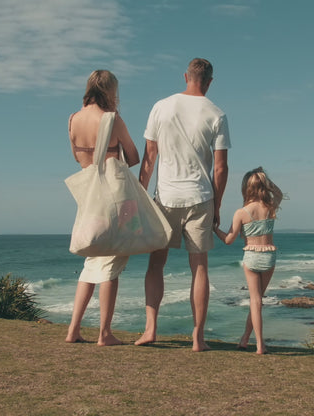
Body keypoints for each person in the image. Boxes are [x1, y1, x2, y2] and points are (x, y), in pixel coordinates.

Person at [135, 58, 231, 352]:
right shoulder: (217, 113)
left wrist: (141, 195)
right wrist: (217, 205)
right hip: (201, 197)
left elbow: (149, 156)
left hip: (165, 197)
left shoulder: (161, 106)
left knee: (156, 264)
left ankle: (151, 329)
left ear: (185, 76)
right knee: (199, 267)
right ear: (210, 82)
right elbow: (220, 168)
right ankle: (198, 337)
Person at [65, 70, 140, 346]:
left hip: (89, 198)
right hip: (117, 197)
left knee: (92, 262)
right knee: (112, 262)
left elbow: (77, 157)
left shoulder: (73, 120)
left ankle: (74, 329)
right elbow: (133, 157)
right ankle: (104, 333)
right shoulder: (112, 119)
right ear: (111, 92)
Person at [214, 167, 285, 354]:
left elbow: (229, 240)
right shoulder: (270, 207)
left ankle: (260, 344)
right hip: (269, 255)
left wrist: (215, 229)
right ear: (263, 186)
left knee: (255, 301)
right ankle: (245, 338)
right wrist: (265, 180)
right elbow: (279, 193)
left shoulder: (242, 212)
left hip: (252, 256)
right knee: (258, 300)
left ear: (246, 188)